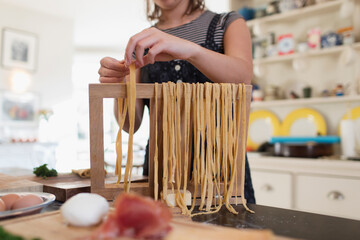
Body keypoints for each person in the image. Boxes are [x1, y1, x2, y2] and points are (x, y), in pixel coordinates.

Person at [98, 0, 255, 203]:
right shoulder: (143, 41)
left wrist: (190, 50)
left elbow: (243, 77)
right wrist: (121, 86)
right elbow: (130, 124)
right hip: (161, 171)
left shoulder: (226, 23)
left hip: (221, 169)